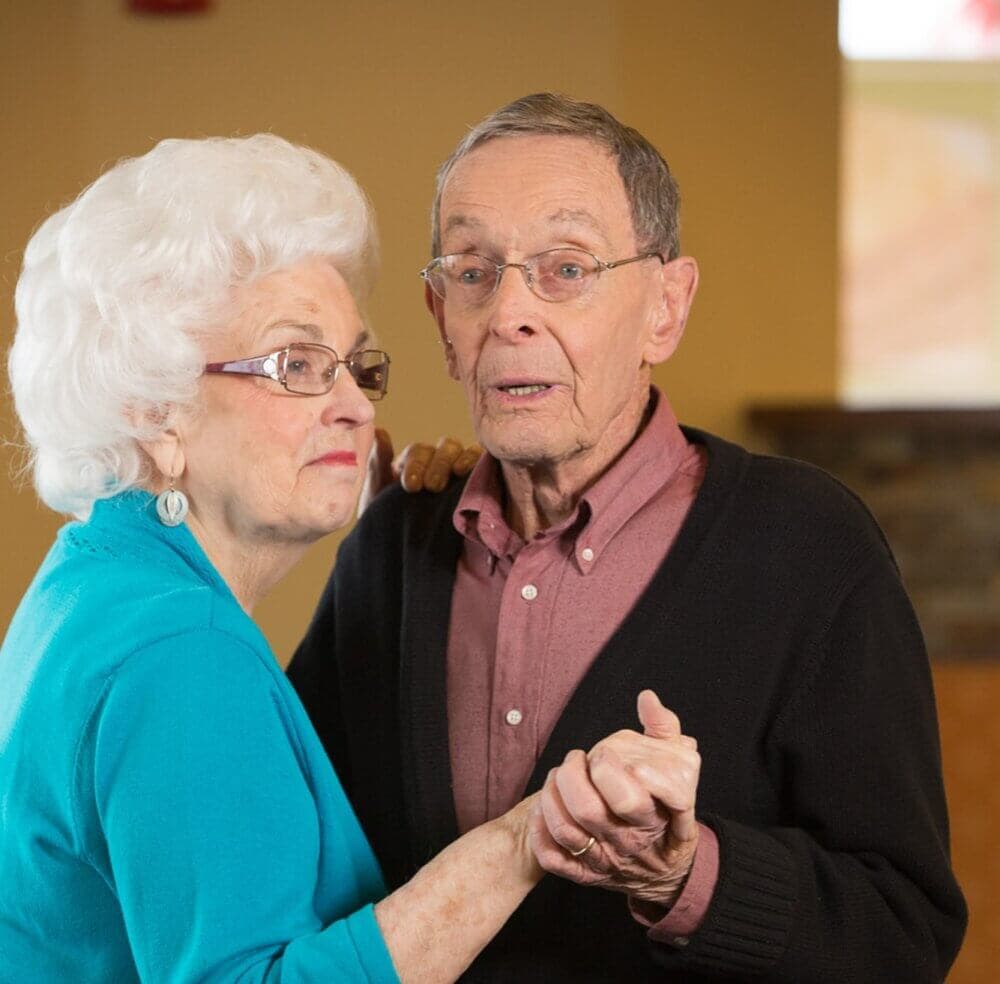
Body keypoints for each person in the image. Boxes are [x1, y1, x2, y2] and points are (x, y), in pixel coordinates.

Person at [289, 94, 968, 982]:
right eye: (473, 270)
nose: (509, 314)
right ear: (439, 320)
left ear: (665, 307)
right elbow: (291, 850)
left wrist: (687, 876)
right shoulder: (394, 547)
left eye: (566, 268)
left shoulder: (811, 550)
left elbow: (904, 933)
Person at [1, 132, 570, 983]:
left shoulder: (92, 583)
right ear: (154, 409)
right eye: (294, 363)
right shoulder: (177, 648)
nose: (350, 404)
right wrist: (527, 839)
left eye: (352, 366)